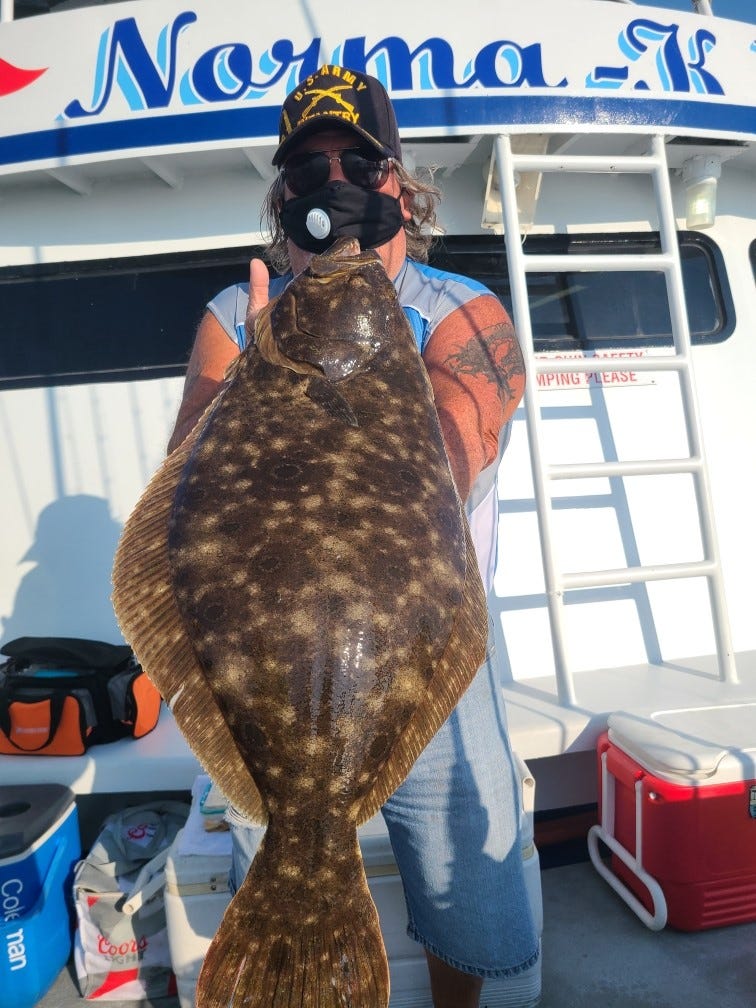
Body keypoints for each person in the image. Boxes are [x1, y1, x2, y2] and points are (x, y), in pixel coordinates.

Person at [168, 64, 539, 1008]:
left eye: (359, 166)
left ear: (398, 185)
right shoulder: (239, 318)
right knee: (273, 840)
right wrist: (262, 381)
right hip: (267, 655)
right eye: (307, 171)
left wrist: (343, 383)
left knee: (470, 884)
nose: (332, 186)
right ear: (282, 196)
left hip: (426, 647)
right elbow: (185, 481)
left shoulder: (460, 308)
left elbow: (462, 441)